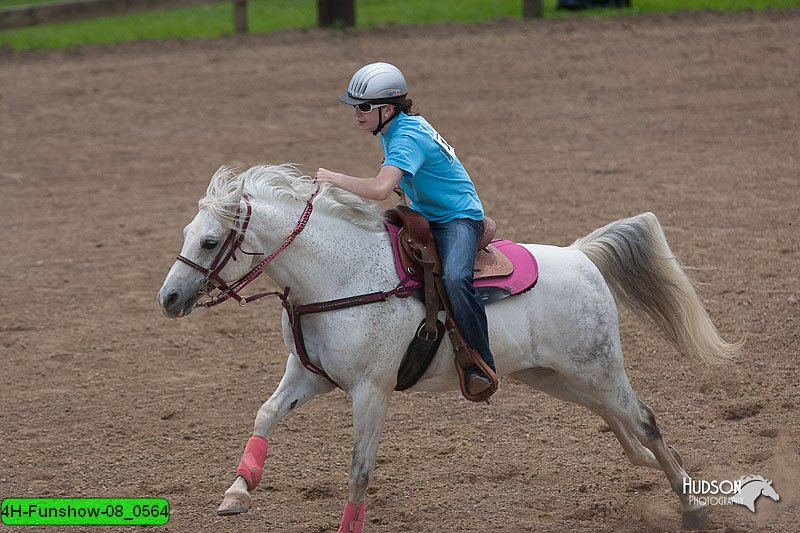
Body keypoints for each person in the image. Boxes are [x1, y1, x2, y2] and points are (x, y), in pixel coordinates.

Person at [315, 62, 496, 397]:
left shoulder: (406, 137)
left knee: (457, 279)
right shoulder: (396, 128)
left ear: (387, 108)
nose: (356, 113)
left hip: (458, 218)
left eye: (364, 107)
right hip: (426, 214)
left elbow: (381, 189)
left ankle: (480, 361)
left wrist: (334, 179)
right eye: (354, 106)